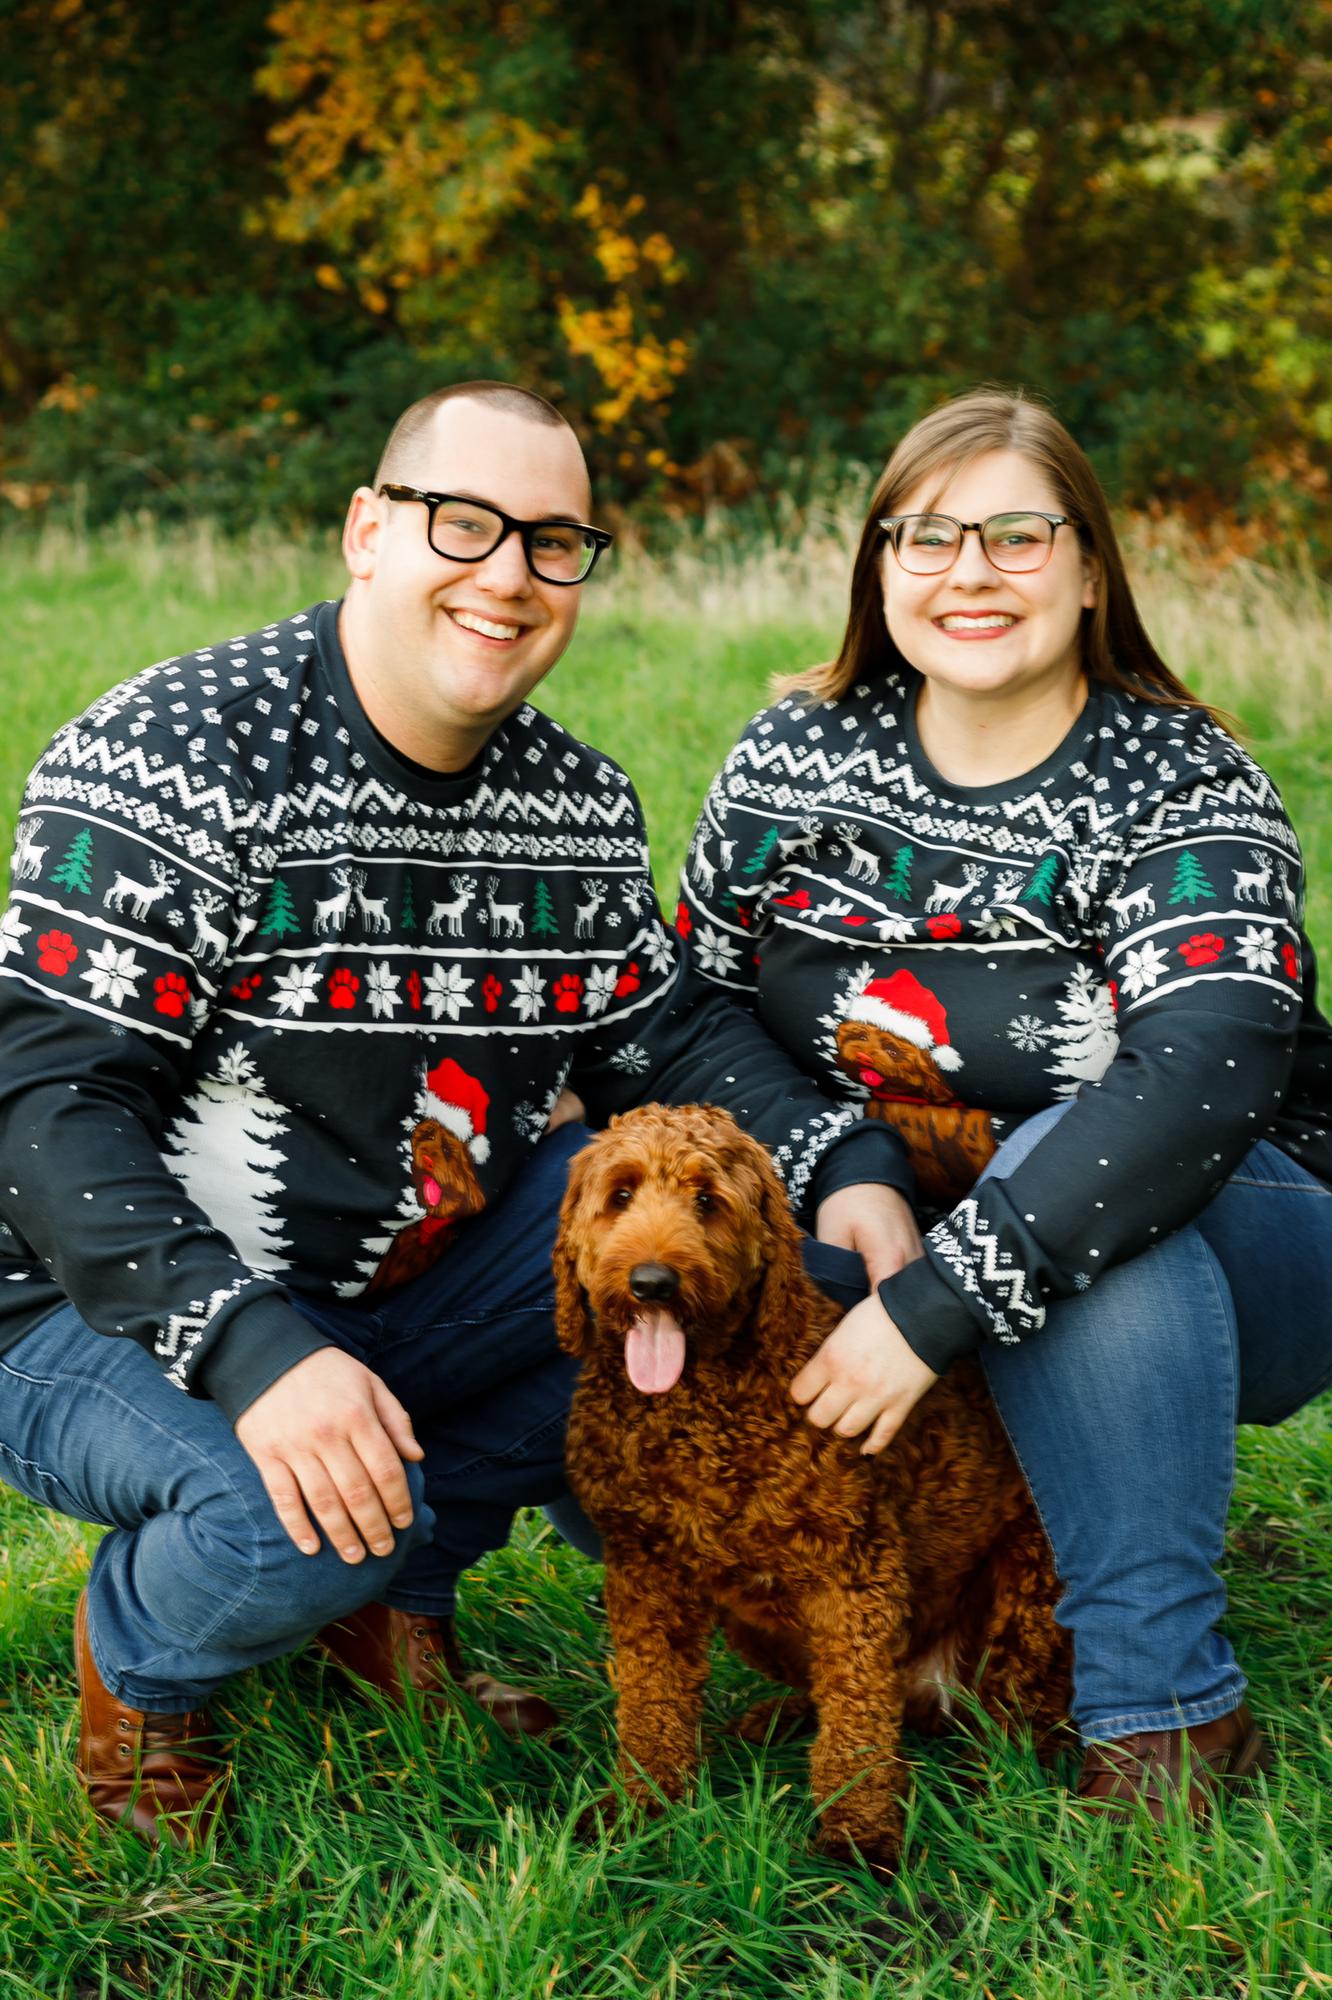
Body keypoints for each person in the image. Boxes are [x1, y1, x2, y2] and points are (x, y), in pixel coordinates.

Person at [0, 381, 907, 1847]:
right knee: (280, 1523)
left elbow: (666, 1037)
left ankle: (399, 1592)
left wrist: (848, 1165)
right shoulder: (175, 751)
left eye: (554, 542)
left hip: (400, 1280)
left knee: (741, 1302)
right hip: (79, 1308)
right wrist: (249, 1347)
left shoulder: (573, 806)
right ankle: (146, 1664)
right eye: (464, 523)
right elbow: (46, 1105)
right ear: (369, 529)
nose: (510, 575)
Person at [677, 386, 1332, 1819]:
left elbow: (1205, 1071)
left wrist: (937, 1304)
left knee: (1072, 1166)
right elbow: (694, 1008)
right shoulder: (795, 756)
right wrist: (841, 1161)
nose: (967, 572)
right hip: (896, 1219)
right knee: (665, 1236)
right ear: (879, 569)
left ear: (1091, 570)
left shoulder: (1180, 777)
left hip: (1248, 1233)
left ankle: (1166, 1714)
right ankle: (893, 1634)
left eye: (1016, 536)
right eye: (926, 536)